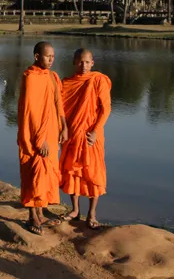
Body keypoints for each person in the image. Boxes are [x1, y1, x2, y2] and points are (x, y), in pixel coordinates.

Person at [17, 41, 68, 235]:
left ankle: (41, 212)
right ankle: (32, 216)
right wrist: (40, 140)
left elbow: (58, 102)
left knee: (46, 173)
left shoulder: (52, 76)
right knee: (33, 172)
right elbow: (30, 111)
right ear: (37, 56)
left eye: (53, 56)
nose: (51, 60)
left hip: (51, 131)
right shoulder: (30, 77)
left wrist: (64, 126)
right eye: (48, 56)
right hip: (33, 134)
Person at [59, 48, 112, 230]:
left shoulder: (98, 80)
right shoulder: (67, 83)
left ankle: (92, 214)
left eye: (87, 62)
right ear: (74, 62)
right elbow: (61, 109)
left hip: (91, 134)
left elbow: (105, 109)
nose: (84, 65)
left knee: (92, 171)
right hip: (72, 133)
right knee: (72, 170)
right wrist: (63, 129)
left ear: (92, 63)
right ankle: (75, 210)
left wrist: (96, 131)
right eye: (80, 62)